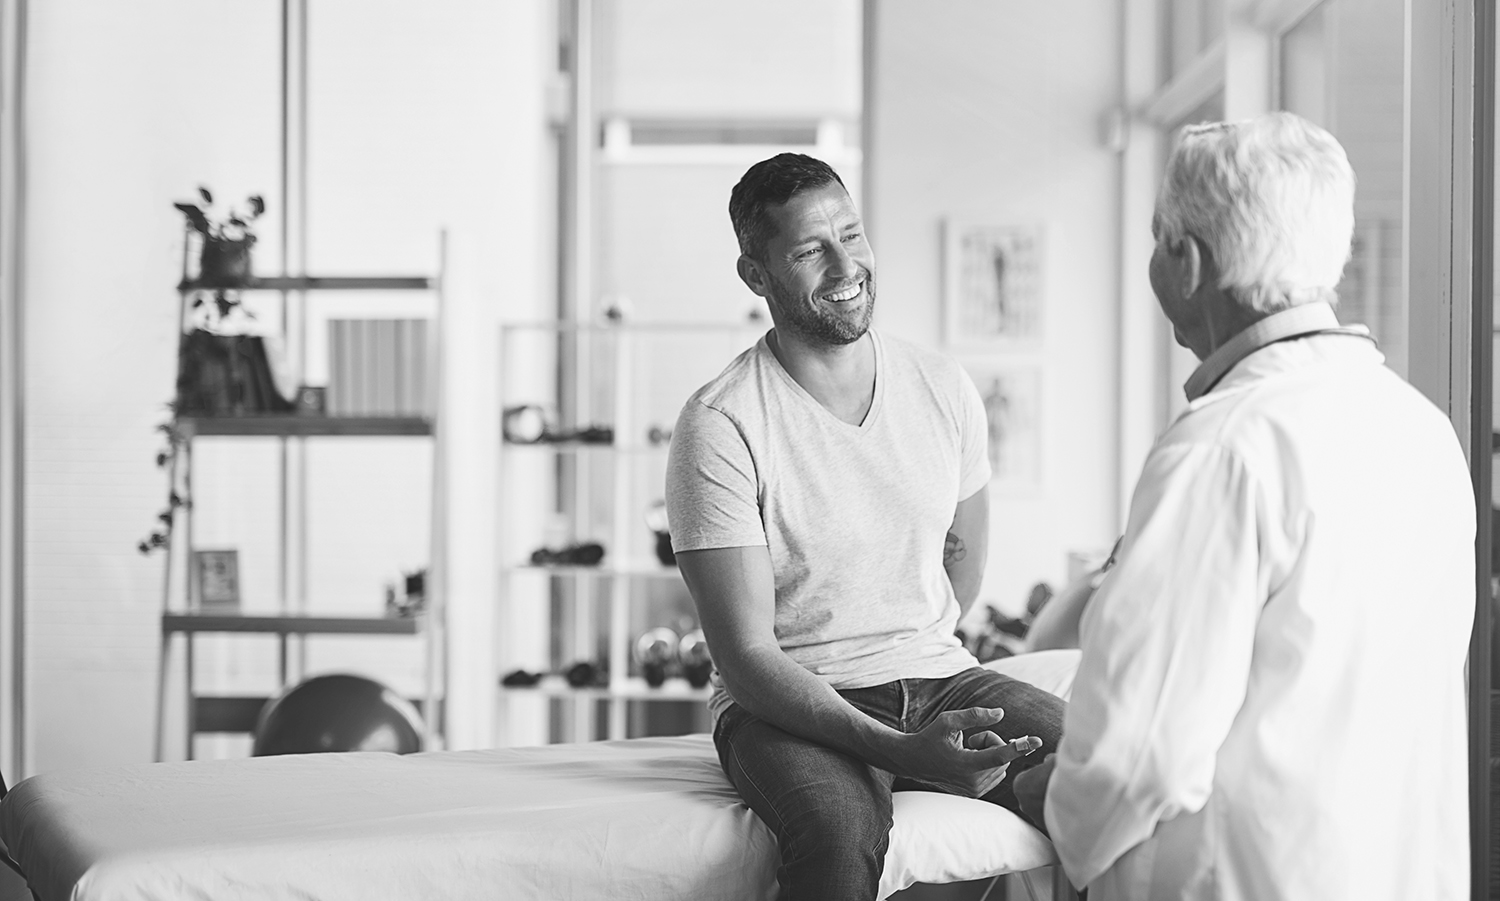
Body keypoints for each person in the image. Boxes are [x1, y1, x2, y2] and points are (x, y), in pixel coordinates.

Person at [1013, 112, 1475, 900]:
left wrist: (1051, 806)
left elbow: (1138, 748)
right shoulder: (1422, 427)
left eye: (1158, 237)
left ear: (1184, 261)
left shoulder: (1221, 446)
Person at [664, 152, 1066, 901]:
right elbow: (747, 656)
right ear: (756, 274)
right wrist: (898, 748)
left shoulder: (942, 387)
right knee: (838, 832)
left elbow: (962, 557)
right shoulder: (720, 423)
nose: (846, 263)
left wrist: (912, 654)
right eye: (811, 248)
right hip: (787, 705)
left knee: (1102, 765)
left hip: (939, 675)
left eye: (852, 233)